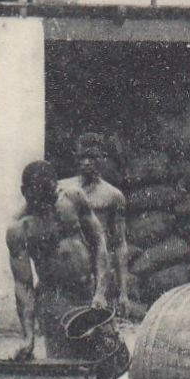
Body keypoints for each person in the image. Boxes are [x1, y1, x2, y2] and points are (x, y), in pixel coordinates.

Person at [7, 160, 109, 361]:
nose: (46, 207)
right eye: (38, 201)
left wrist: (101, 291)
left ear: (56, 187)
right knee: (65, 371)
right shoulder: (19, 228)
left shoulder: (73, 198)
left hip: (89, 292)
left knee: (104, 364)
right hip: (54, 300)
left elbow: (99, 242)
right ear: (24, 192)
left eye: (50, 198)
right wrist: (28, 336)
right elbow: (23, 285)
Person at [58, 133, 132, 314]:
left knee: (100, 327)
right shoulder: (62, 188)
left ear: (102, 158)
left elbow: (120, 243)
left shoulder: (112, 195)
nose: (87, 162)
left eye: (92, 157)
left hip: (98, 269)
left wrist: (124, 292)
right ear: (76, 158)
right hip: (69, 267)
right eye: (83, 157)